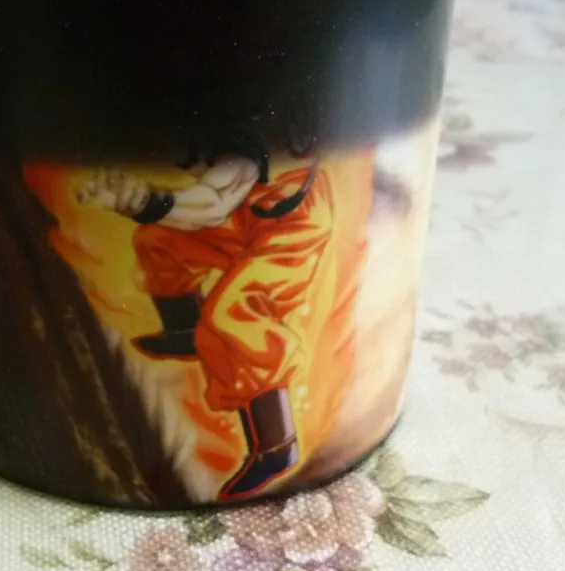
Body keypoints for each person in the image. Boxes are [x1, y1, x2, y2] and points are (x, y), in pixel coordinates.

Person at [77, 137, 371, 500]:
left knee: (235, 314)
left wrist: (144, 201)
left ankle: (275, 445)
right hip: (249, 211)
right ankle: (185, 333)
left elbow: (213, 204)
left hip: (291, 226)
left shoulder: (254, 133)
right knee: (161, 241)